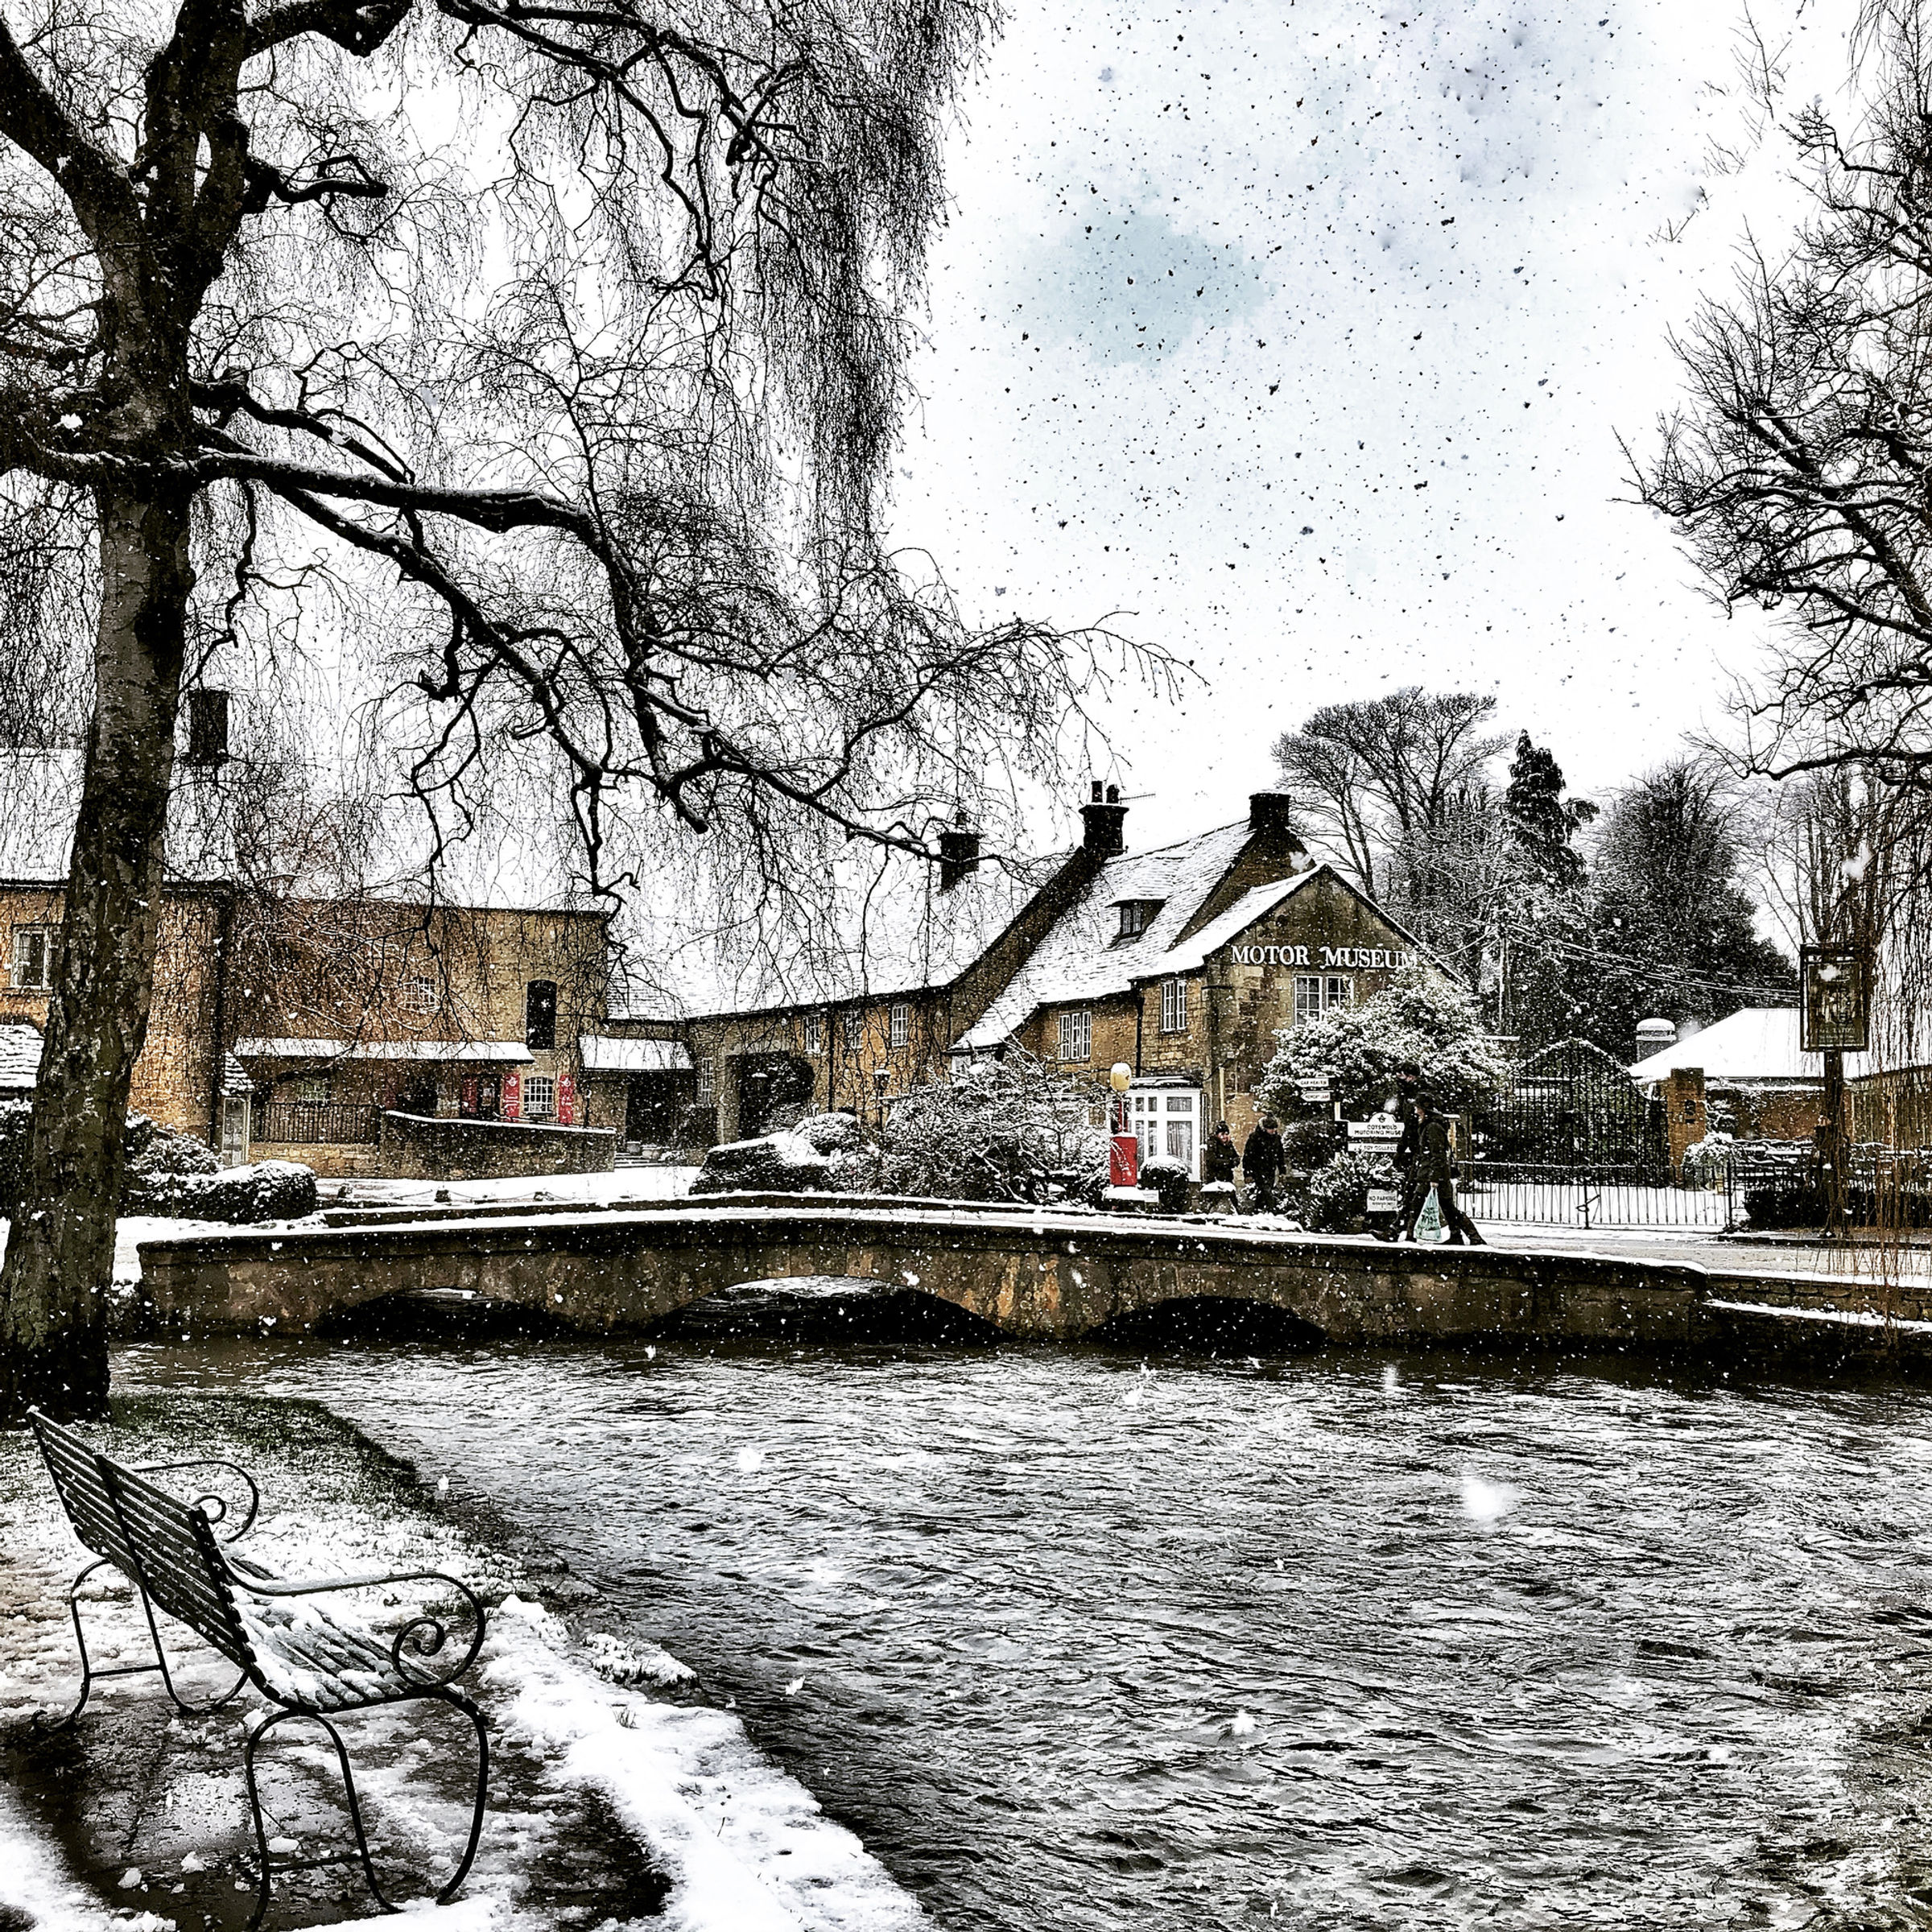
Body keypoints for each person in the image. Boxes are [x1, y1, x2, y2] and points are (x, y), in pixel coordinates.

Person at [1410, 1093, 1485, 1245]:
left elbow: (1437, 1154)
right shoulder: (1431, 1125)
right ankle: (1462, 1235)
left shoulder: (1432, 1127)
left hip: (1432, 1174)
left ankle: (1410, 1237)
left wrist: (1434, 1177)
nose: (1416, 1111)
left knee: (1419, 1205)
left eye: (1418, 1107)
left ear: (1424, 1109)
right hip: (1433, 1173)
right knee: (1447, 1207)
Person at [1242, 1115, 1286, 1213]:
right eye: (1271, 1129)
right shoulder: (1255, 1138)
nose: (1273, 1131)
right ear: (1264, 1128)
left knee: (1264, 1192)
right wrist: (1248, 1173)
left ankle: (1258, 1210)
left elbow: (1280, 1156)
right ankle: (1272, 1210)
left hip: (1270, 1169)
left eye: (1275, 1128)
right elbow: (1248, 1157)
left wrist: (1282, 1171)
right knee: (1266, 1190)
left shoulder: (1276, 1139)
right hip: (1258, 1169)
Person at [1204, 1121, 1240, 1187]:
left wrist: (1236, 1160)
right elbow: (1212, 1161)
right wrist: (1229, 1162)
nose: (1225, 1136)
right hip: (1215, 1179)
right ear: (1217, 1135)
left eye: (1226, 1134)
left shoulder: (1229, 1145)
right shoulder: (1213, 1145)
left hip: (1227, 1177)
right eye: (1222, 1134)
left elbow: (1235, 1155)